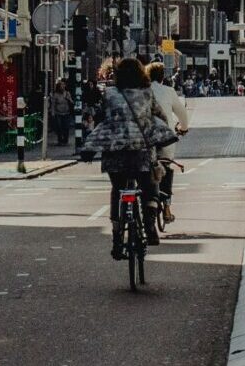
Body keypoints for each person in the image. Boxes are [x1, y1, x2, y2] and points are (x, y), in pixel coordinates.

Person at [83, 57, 165, 256]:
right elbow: (160, 116)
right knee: (150, 186)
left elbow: (101, 118)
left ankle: (117, 236)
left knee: (117, 190)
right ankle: (149, 224)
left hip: (115, 153)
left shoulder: (110, 94)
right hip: (142, 151)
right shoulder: (147, 94)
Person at [147, 62, 190, 222]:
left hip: (146, 139)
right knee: (166, 166)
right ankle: (166, 208)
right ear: (163, 77)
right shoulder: (168, 91)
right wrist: (184, 128)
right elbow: (182, 113)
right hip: (165, 138)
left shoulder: (142, 92)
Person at [49, 79, 74, 146]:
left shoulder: (67, 93)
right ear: (59, 86)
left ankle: (65, 140)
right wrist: (53, 113)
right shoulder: (56, 94)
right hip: (58, 113)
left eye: (64, 85)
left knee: (66, 127)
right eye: (61, 85)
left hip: (66, 112)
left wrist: (69, 99)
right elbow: (53, 104)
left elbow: (72, 102)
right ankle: (60, 140)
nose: (63, 87)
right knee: (59, 127)